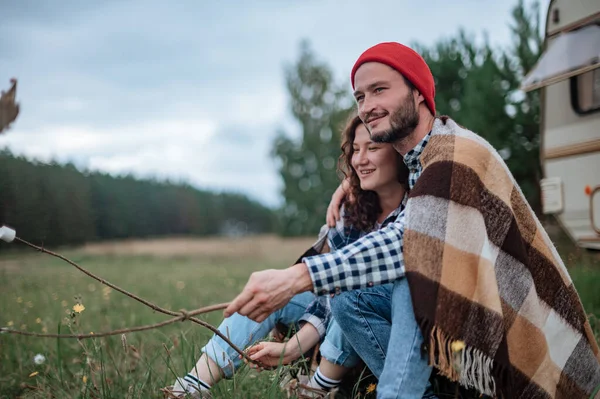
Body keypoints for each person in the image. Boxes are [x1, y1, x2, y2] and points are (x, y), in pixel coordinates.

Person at [224, 42, 600, 399]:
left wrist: (297, 277)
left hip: (521, 338)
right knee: (350, 298)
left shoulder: (455, 155)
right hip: (475, 334)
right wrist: (353, 183)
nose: (367, 106)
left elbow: (408, 240)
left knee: (411, 274)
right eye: (360, 96)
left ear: (418, 92)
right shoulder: (422, 160)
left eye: (379, 90)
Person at [167, 114, 411, 398]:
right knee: (272, 292)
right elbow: (326, 292)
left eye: (373, 148)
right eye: (355, 150)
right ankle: (192, 386)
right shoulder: (351, 210)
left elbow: (349, 290)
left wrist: (292, 347)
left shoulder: (418, 208)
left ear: (399, 151)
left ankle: (315, 389)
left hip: (381, 319)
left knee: (352, 293)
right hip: (335, 309)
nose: (360, 159)